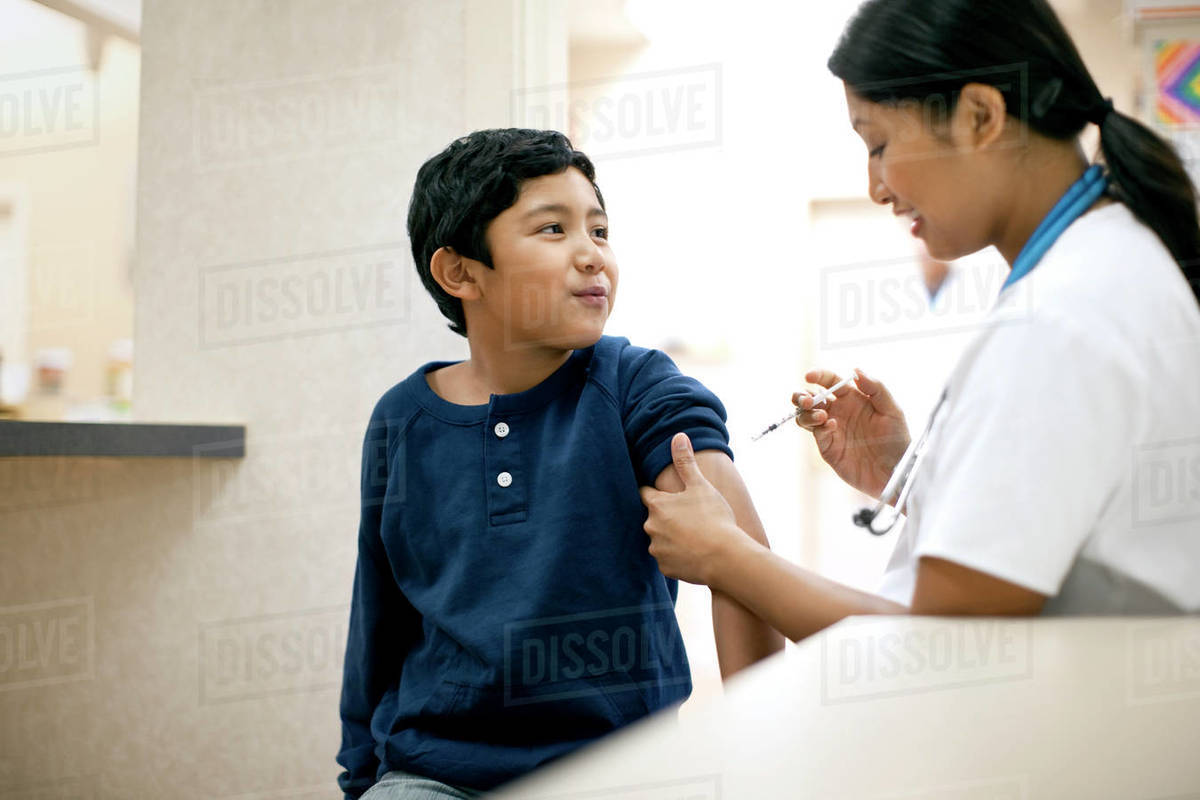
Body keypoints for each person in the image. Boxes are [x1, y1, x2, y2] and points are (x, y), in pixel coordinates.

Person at [639, 0, 1200, 642]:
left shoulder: (1063, 316)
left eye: (878, 144)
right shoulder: (1108, 265)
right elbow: (1059, 526)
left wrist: (727, 556)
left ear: (982, 116)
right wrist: (906, 473)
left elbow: (944, 642)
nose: (876, 186)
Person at [336, 129, 782, 799]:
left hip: (624, 770)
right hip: (434, 773)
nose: (591, 256)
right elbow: (379, 620)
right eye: (553, 230)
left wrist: (756, 762)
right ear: (460, 272)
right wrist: (361, 779)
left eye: (600, 232)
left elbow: (740, 561)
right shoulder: (400, 419)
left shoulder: (635, 384)